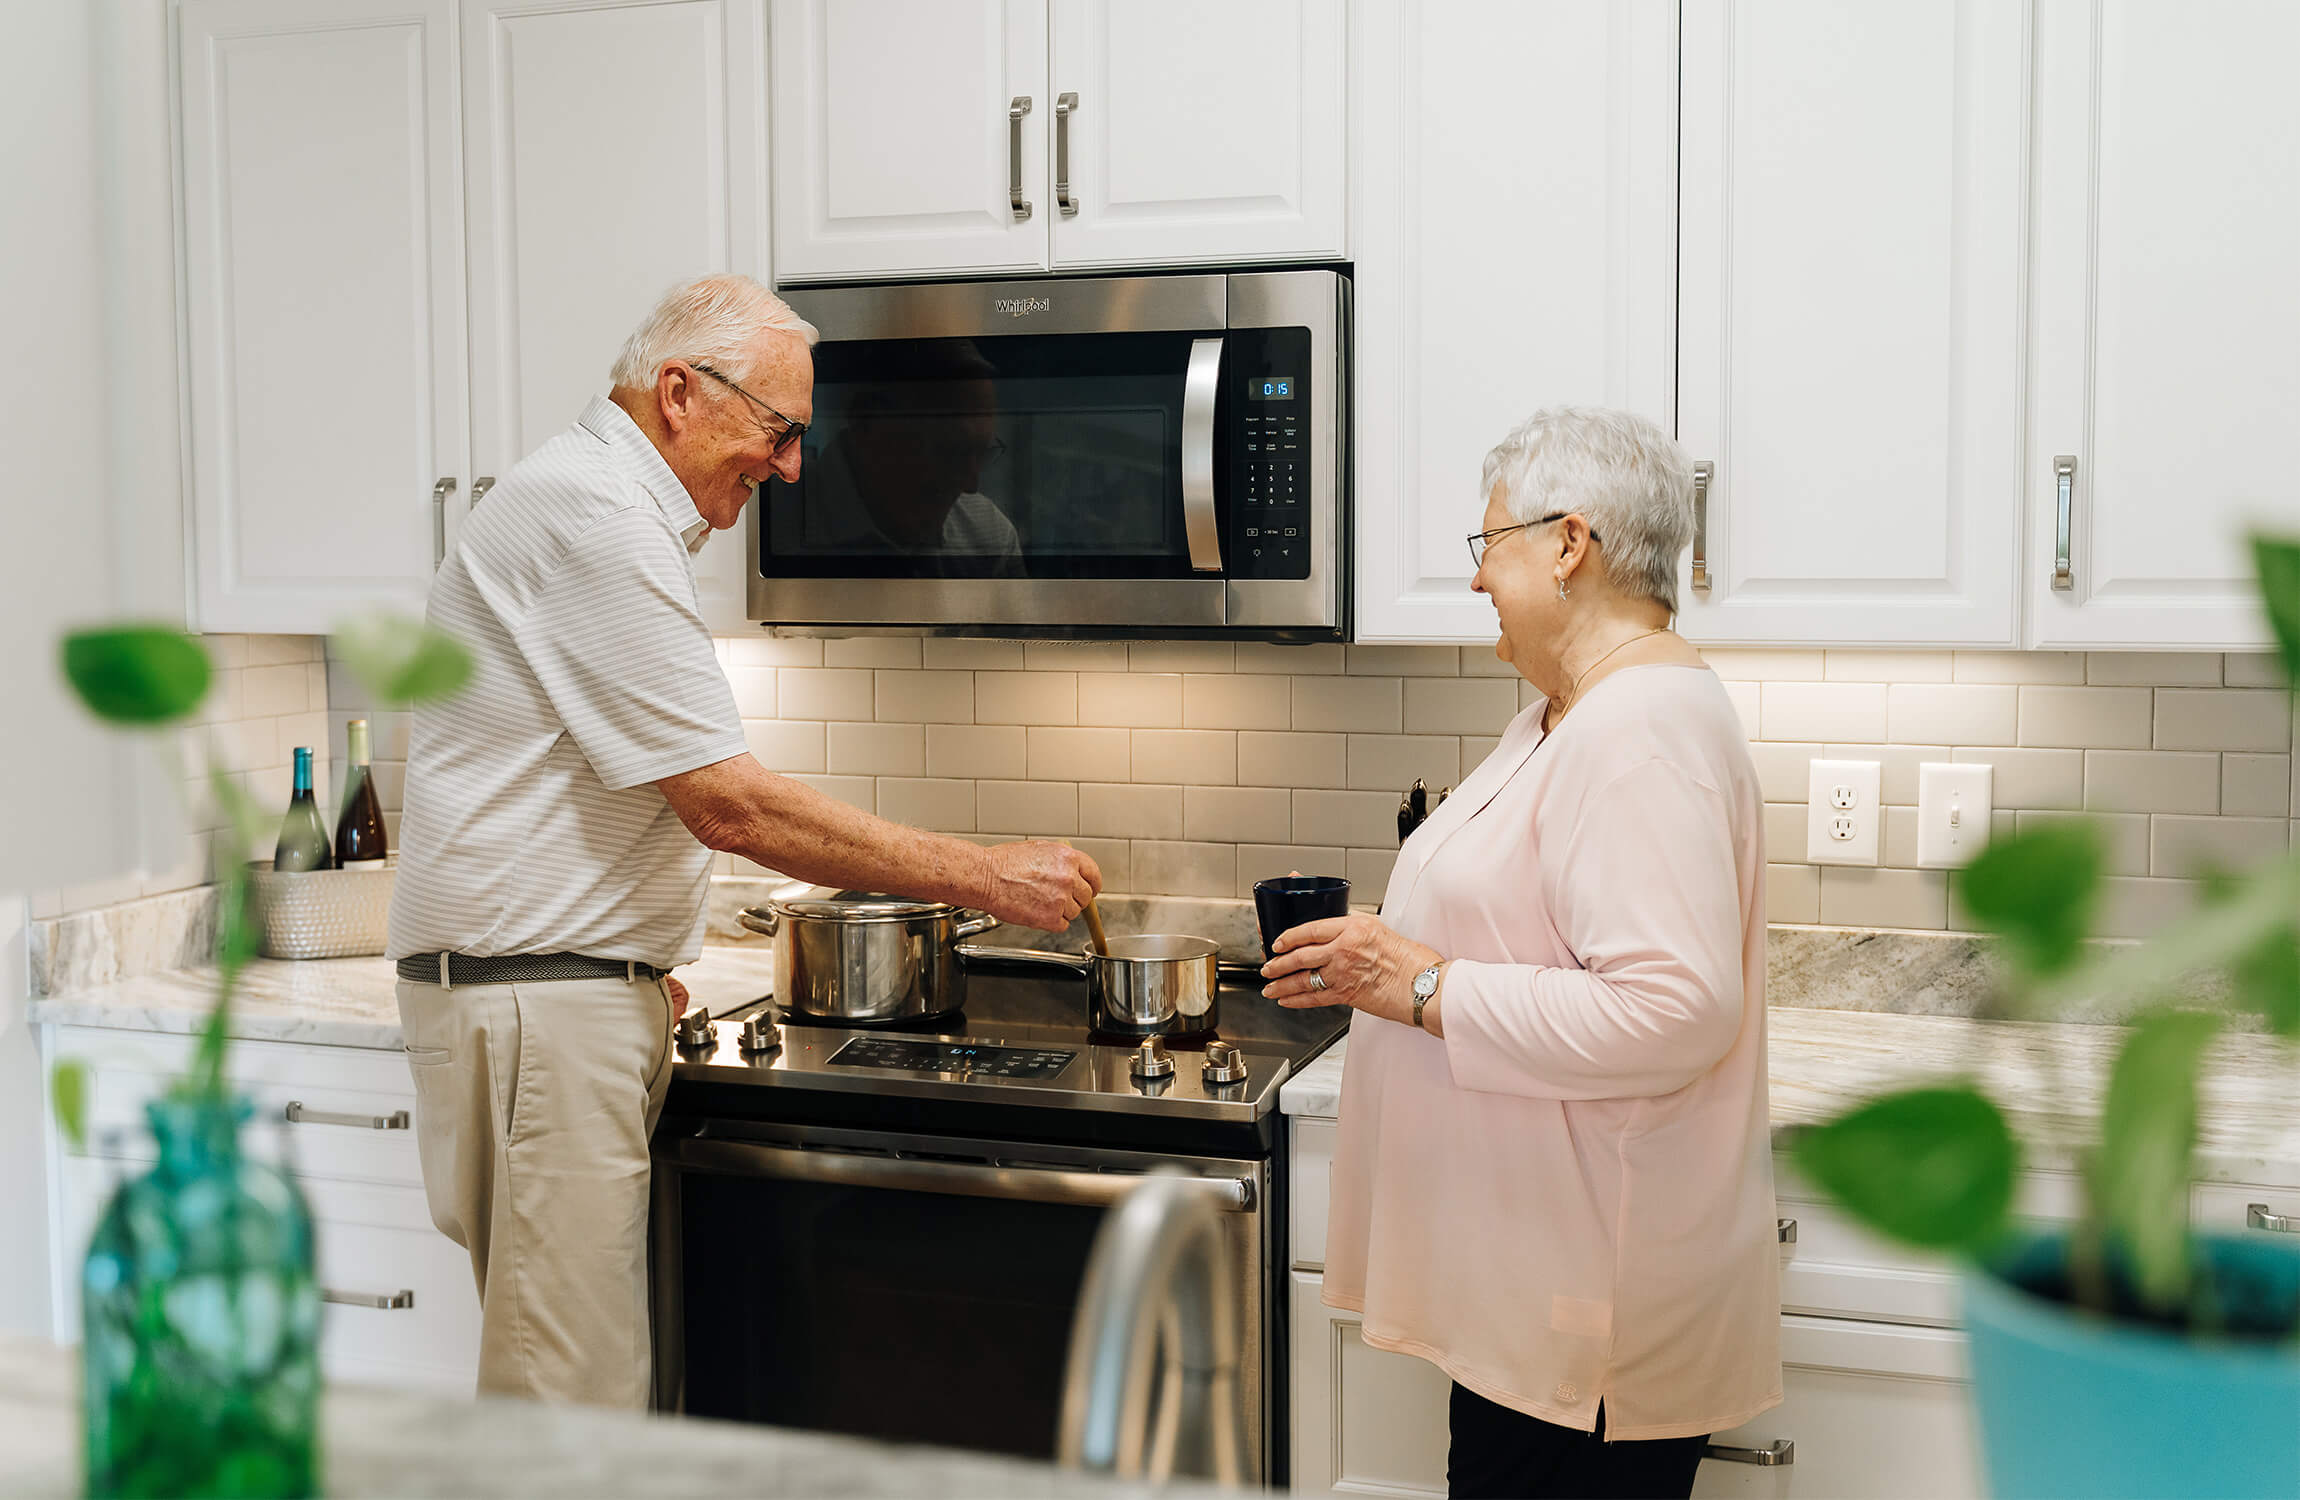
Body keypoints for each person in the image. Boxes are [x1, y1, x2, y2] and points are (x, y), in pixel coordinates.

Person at [385, 274, 1099, 1409]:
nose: (791, 467)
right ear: (678, 392)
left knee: (580, 1394)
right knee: (569, 1425)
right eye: (777, 430)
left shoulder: (595, 505)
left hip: (545, 1001)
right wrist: (985, 877)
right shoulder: (596, 518)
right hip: (534, 1015)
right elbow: (733, 806)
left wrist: (618, 963)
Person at [1259, 406, 1778, 1499]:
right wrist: (1384, 965)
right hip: (1533, 1295)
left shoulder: (1638, 727)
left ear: (1567, 544)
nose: (1476, 577)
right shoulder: (1565, 713)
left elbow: (1672, 1011)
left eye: (1486, 544)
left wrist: (1421, 984)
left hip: (1584, 1321)